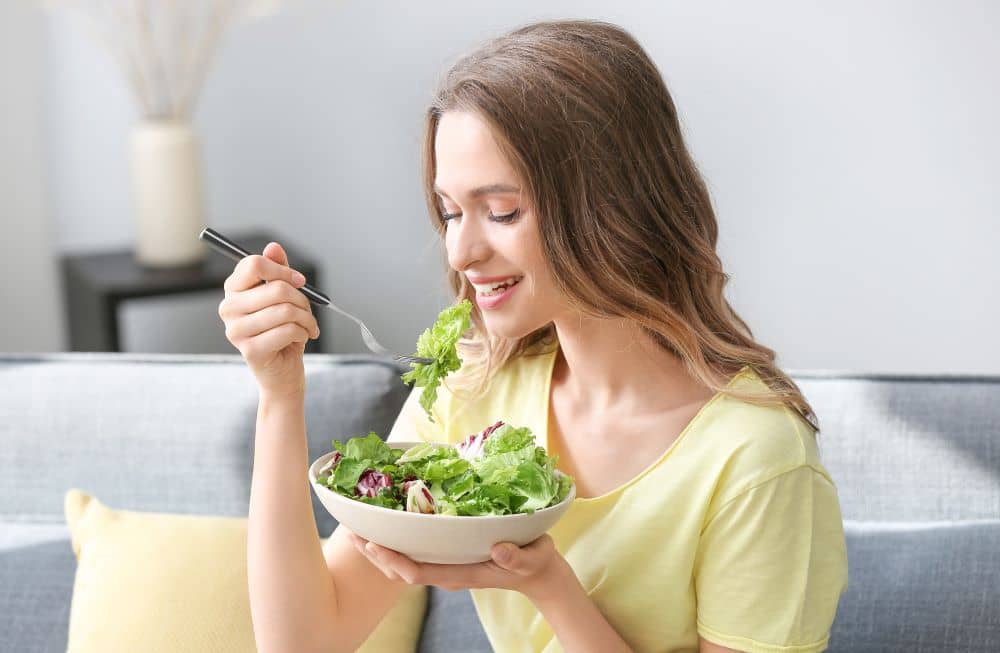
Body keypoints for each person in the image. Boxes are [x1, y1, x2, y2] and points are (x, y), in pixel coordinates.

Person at [219, 19, 848, 653]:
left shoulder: (754, 460)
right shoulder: (473, 387)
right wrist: (280, 395)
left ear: (611, 202)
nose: (461, 251)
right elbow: (303, 641)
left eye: (502, 212)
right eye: (449, 212)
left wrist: (548, 585)